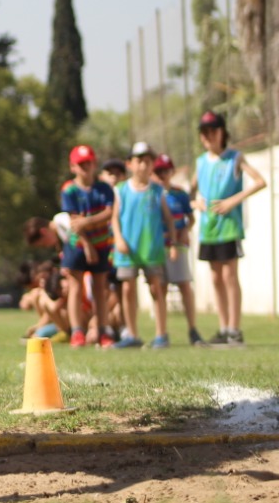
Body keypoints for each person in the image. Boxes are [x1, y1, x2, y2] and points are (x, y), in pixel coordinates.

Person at [191, 110, 266, 347]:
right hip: (209, 227)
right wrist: (196, 203)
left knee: (229, 275)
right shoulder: (201, 162)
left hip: (229, 227)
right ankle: (223, 328)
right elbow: (190, 194)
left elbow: (260, 182)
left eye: (212, 131)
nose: (207, 136)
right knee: (215, 277)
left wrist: (233, 201)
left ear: (222, 132)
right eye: (203, 132)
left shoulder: (235, 158)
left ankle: (234, 329)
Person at [110, 142, 174, 350]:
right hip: (128, 250)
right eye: (139, 161)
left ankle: (161, 334)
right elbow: (115, 218)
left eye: (148, 161)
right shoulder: (121, 190)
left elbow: (168, 218)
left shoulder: (157, 191)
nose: (143, 166)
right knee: (128, 289)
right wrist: (118, 239)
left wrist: (172, 242)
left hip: (152, 249)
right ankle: (132, 334)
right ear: (129, 164)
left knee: (156, 288)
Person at [58, 145, 116, 348]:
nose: (85, 167)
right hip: (78, 245)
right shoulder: (69, 189)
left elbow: (109, 212)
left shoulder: (104, 188)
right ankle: (77, 332)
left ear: (94, 164)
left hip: (102, 244)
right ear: (73, 166)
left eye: (88, 163)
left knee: (100, 288)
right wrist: (88, 245)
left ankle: (103, 330)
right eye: (81, 164)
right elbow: (75, 223)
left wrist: (87, 221)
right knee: (75, 286)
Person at [153, 153, 205, 347]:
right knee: (160, 288)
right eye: (158, 171)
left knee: (184, 285)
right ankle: (161, 333)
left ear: (172, 172)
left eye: (165, 171)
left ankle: (193, 330)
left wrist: (184, 232)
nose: (162, 175)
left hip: (178, 246)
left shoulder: (179, 194)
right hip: (158, 247)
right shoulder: (152, 194)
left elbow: (190, 218)